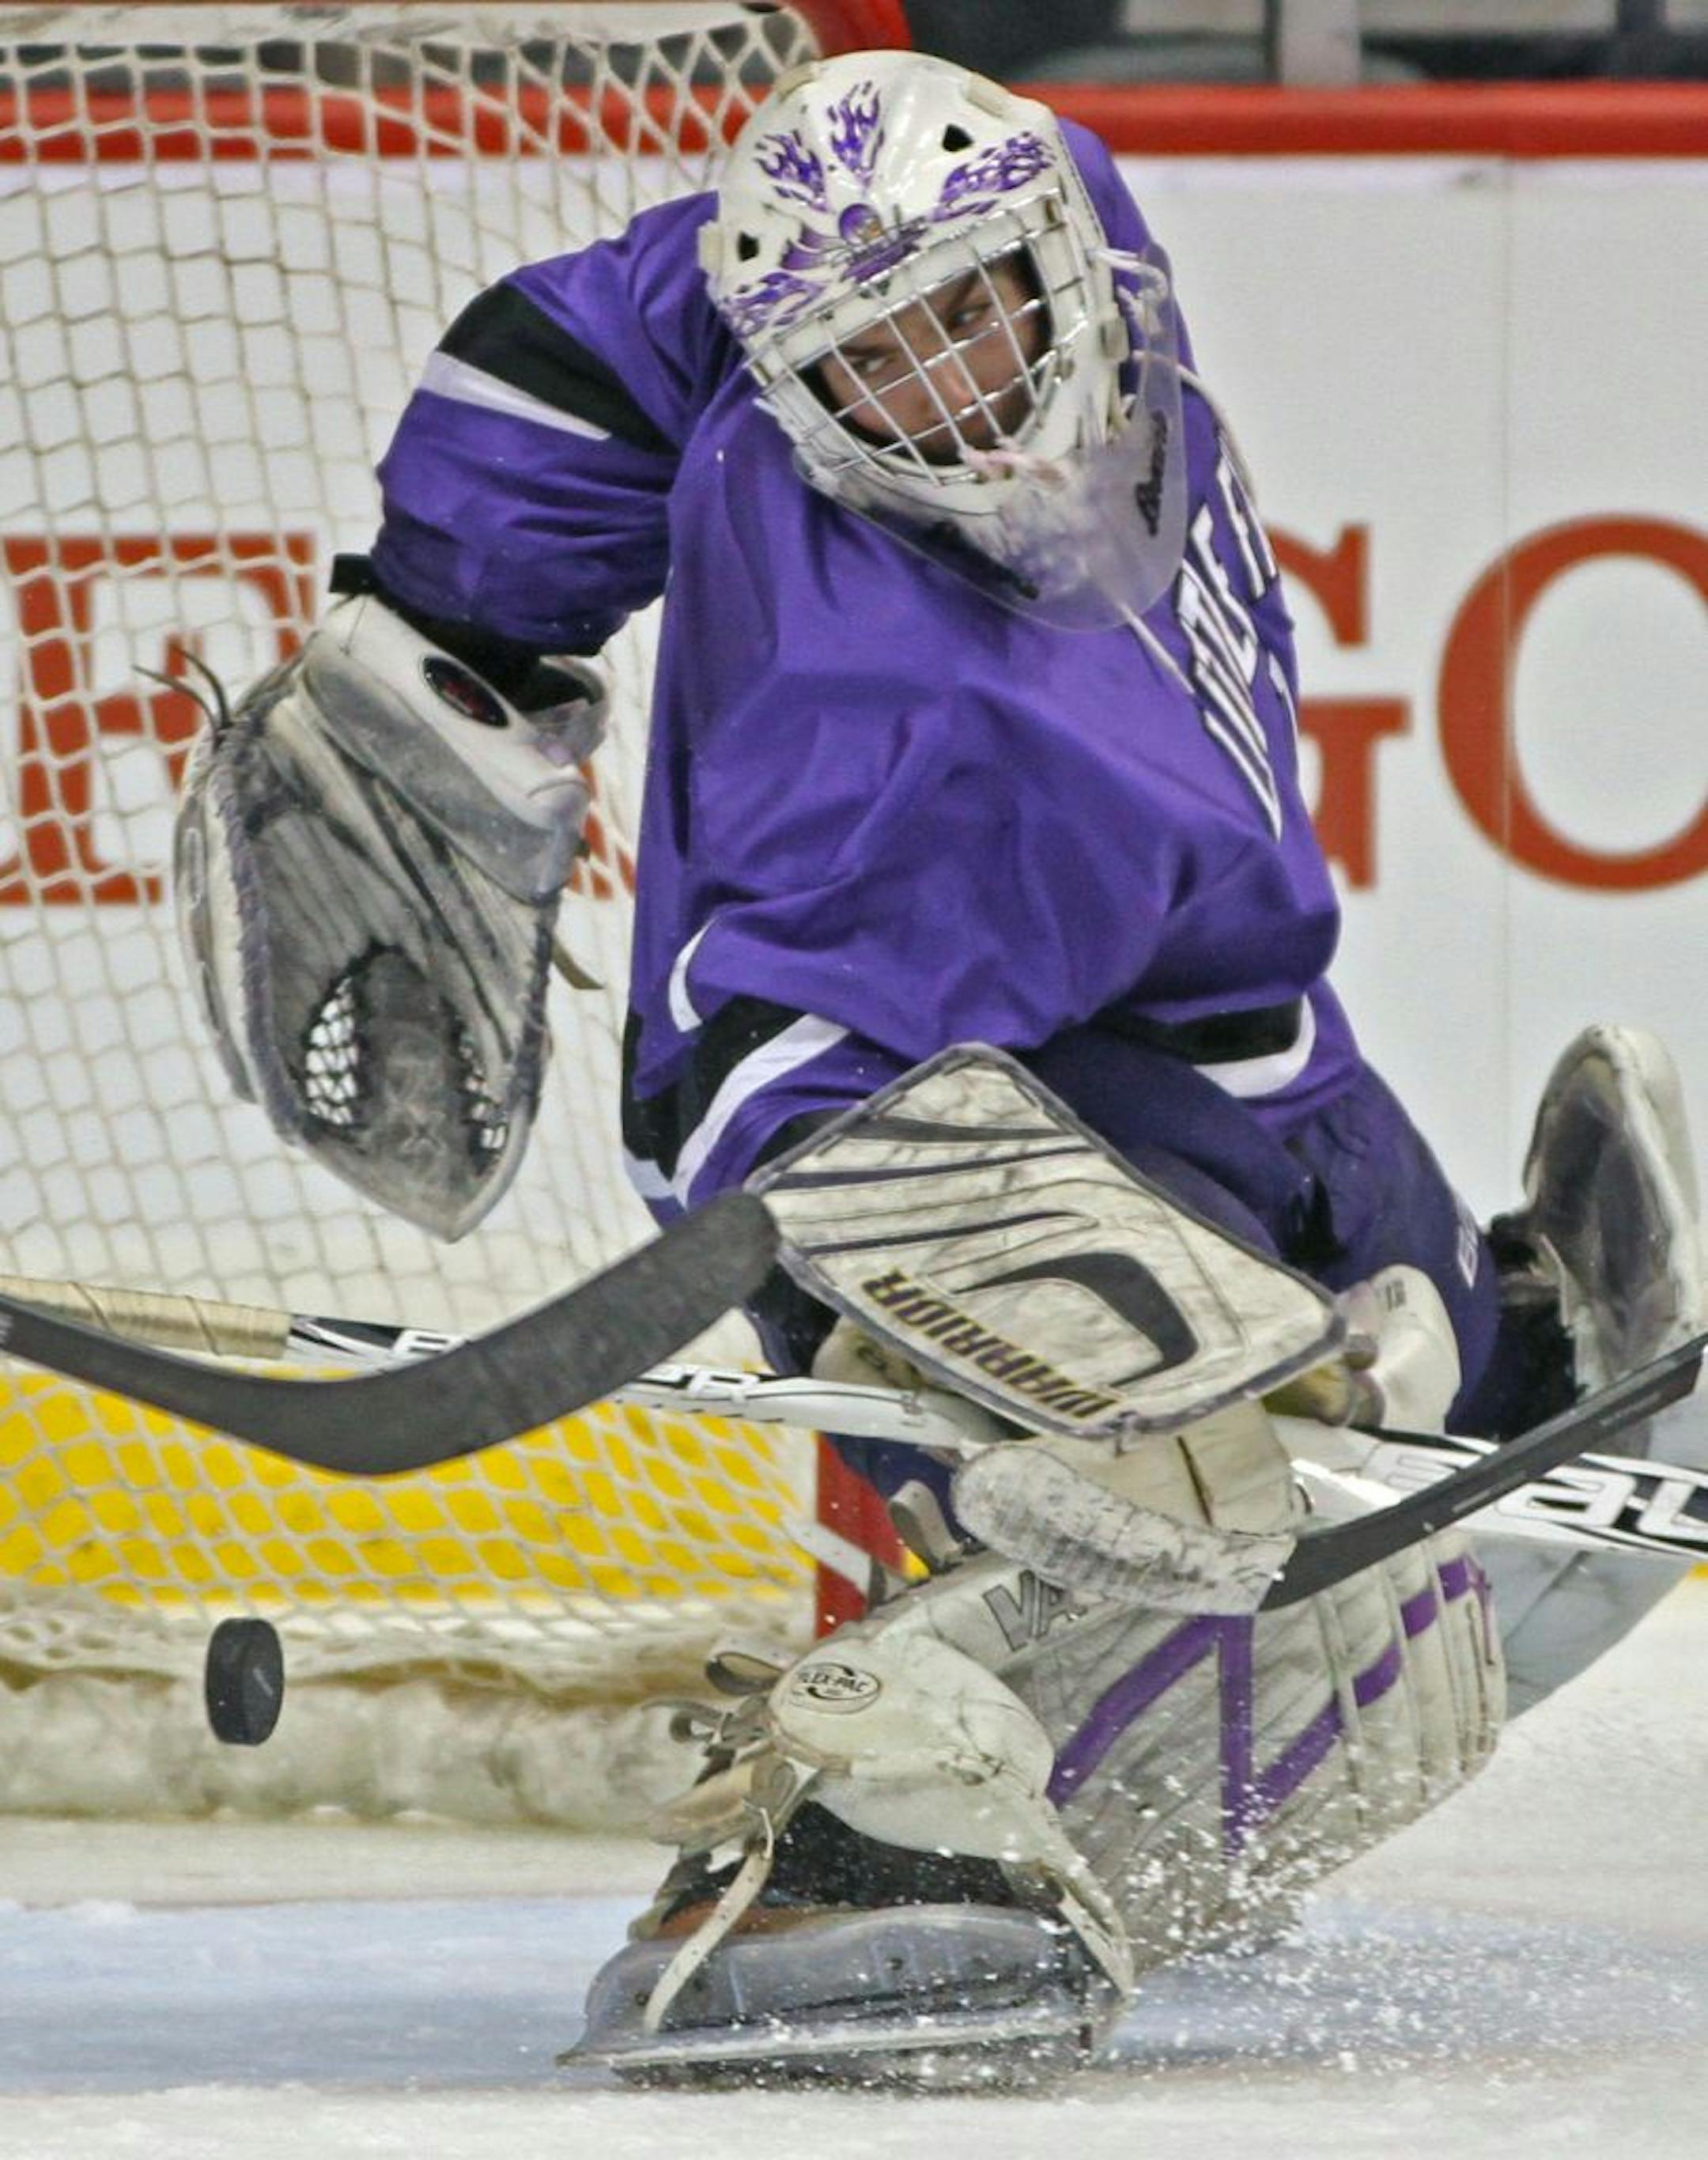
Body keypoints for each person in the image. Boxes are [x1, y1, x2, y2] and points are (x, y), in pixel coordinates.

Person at [176, 50, 1702, 2083]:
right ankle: (860, 1847)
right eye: (875, 367)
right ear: (807, 395)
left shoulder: (1039, 197)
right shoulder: (884, 712)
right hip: (1000, 1108)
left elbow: (595, 337)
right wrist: (1083, 1334)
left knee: (1434, 1376)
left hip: (1250, 1038)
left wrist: (444, 623)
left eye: (971, 313)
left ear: (1055, 252)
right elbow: (761, 1089)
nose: (954, 390)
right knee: (1189, 1514)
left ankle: (1499, 1383)